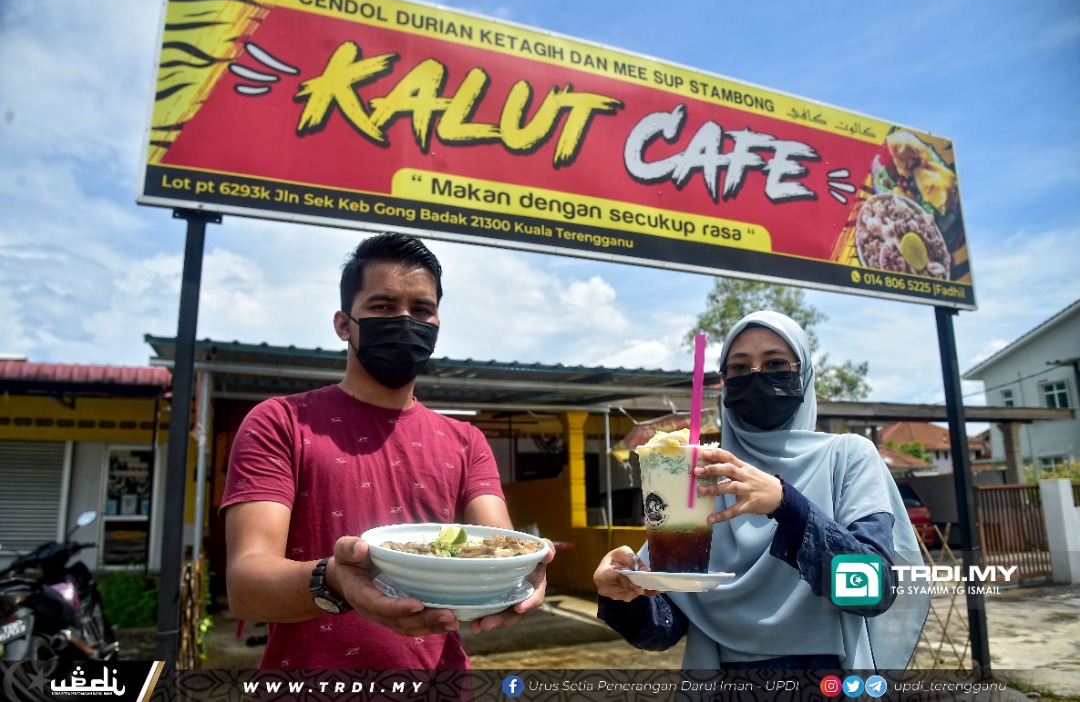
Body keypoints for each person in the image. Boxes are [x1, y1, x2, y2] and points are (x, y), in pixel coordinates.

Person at [221, 232, 554, 669]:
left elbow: (501, 547)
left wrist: (526, 569)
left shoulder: (466, 441)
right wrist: (335, 580)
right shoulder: (280, 422)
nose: (404, 320)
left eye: (421, 310)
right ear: (344, 324)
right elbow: (246, 585)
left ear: (436, 325)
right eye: (382, 307)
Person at [593, 311, 928, 670]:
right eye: (739, 368)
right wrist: (622, 592)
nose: (756, 376)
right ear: (724, 382)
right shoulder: (704, 471)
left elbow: (874, 591)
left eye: (775, 363)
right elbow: (663, 628)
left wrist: (786, 504)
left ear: (804, 374)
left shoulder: (847, 457)